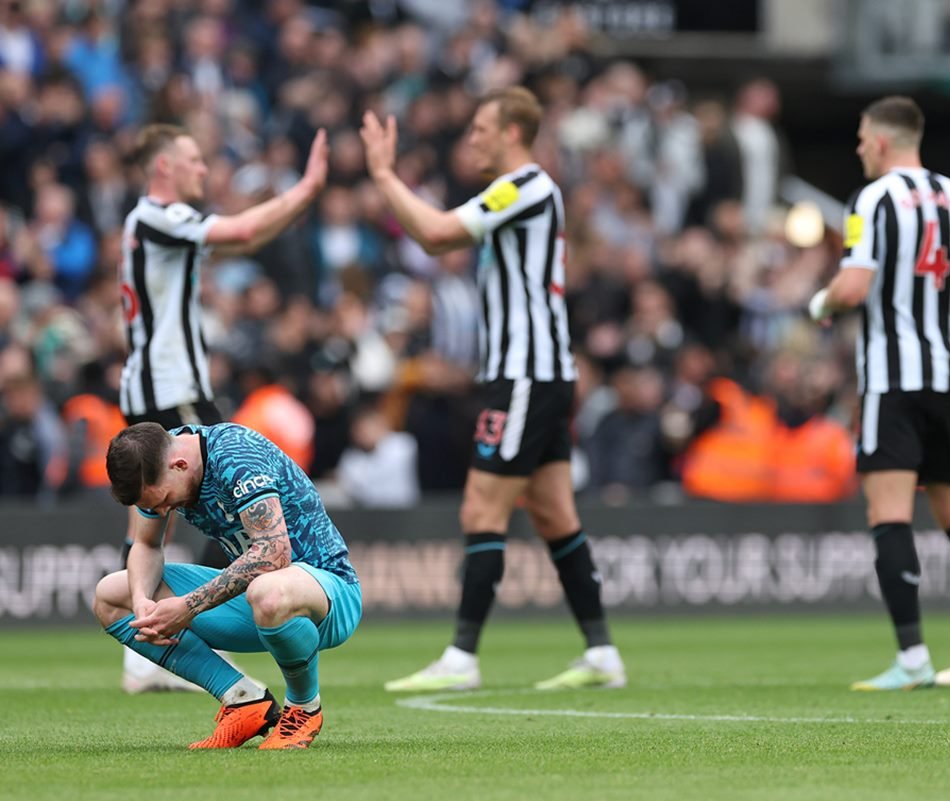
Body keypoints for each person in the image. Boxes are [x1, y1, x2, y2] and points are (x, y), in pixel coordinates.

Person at [361, 86, 626, 691]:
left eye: (481, 127)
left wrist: (383, 174)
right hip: (540, 373)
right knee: (557, 514)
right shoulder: (523, 192)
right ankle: (603, 654)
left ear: (512, 132)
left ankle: (462, 657)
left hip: (526, 376)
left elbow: (435, 234)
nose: (471, 138)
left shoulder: (523, 185)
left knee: (482, 508)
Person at [808, 96, 950, 691]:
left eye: (861, 137)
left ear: (882, 141)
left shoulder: (872, 200)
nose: (858, 147)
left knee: (889, 515)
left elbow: (855, 287)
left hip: (893, 378)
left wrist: (822, 300)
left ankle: (912, 658)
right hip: (949, 378)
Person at [115, 122, 328, 692]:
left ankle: (163, 628)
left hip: (154, 380)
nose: (203, 169)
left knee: (163, 507)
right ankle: (157, 641)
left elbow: (240, 242)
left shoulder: (146, 226)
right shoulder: (160, 215)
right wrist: (306, 190)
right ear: (164, 166)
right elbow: (244, 231)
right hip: (170, 382)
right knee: (201, 491)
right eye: (192, 159)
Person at [93, 421, 361, 749]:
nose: (163, 510)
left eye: (163, 499)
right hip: (257, 599)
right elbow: (147, 545)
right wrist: (141, 602)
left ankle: (304, 708)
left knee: (268, 591)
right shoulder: (155, 456)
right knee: (110, 594)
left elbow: (274, 553)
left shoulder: (235, 457)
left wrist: (187, 606)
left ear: (180, 465)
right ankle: (244, 701)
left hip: (328, 592)